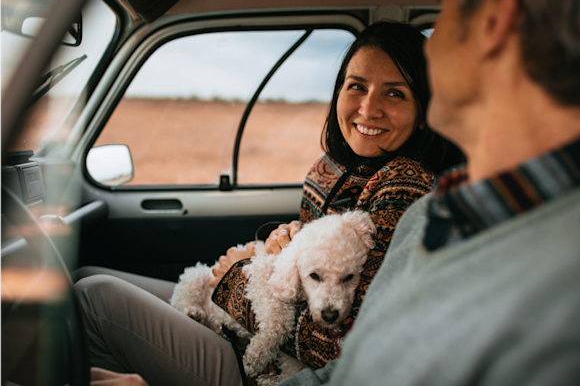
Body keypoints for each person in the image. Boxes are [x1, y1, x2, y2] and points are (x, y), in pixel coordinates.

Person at [74, 22, 460, 386]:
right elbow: (317, 252)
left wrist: (234, 283)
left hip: (269, 367)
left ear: (424, 112)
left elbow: (343, 339)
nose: (368, 108)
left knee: (94, 299)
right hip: (251, 326)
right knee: (85, 275)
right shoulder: (334, 167)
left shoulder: (405, 187)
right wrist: (284, 238)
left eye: (395, 93)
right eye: (356, 86)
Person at [277, 0, 580, 385]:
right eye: (356, 86)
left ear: (494, 21)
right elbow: (354, 368)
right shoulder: (434, 211)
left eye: (443, 13)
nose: (430, 48)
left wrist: (238, 284)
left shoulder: (575, 288)